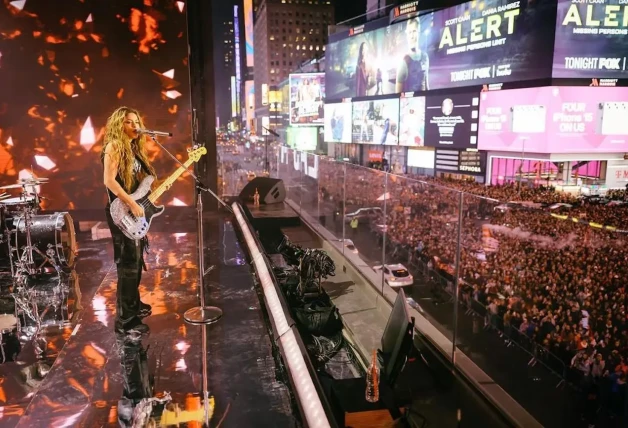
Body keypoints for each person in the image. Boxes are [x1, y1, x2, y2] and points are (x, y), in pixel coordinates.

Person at [102, 106, 157, 335]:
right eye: (128, 122)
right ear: (119, 125)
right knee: (127, 266)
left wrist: (142, 199)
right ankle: (126, 321)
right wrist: (133, 204)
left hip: (133, 209)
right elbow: (109, 180)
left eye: (136, 121)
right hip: (121, 211)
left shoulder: (133, 149)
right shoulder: (114, 146)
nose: (135, 126)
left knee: (135, 263)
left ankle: (132, 305)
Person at [395, 18, 429, 93]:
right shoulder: (403, 62)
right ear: (407, 35)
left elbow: (426, 85)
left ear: (418, 33)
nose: (412, 36)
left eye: (414, 31)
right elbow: (398, 95)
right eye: (409, 32)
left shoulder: (425, 57)